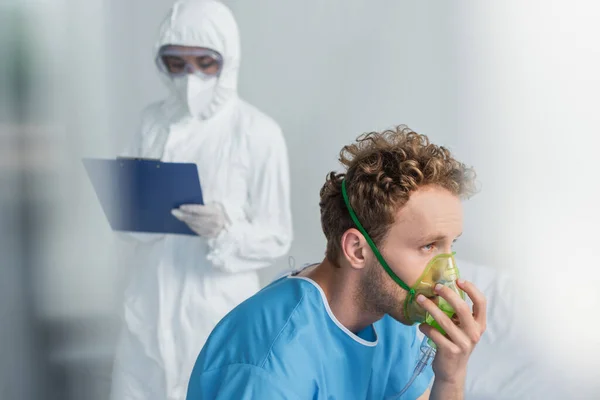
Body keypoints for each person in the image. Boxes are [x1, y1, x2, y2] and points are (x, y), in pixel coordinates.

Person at [186, 125, 487, 400]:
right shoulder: (270, 367)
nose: (446, 274)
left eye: (451, 246)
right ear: (357, 250)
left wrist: (450, 378)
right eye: (428, 246)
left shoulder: (395, 314)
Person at [109, 1, 292, 399]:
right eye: (176, 63)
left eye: (204, 63)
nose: (190, 77)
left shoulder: (257, 131)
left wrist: (225, 231)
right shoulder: (149, 122)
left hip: (217, 308)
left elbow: (277, 235)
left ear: (228, 58)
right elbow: (127, 217)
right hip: (148, 306)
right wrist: (130, 209)